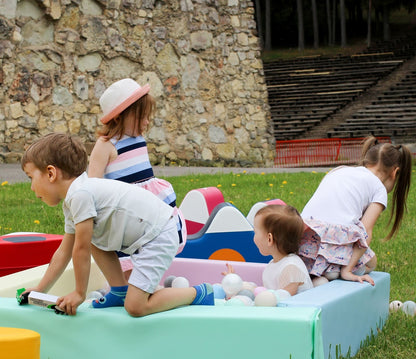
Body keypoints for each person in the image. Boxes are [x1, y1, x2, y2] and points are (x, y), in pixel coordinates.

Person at [20, 133, 213, 317]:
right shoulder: (75, 198)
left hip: (158, 235)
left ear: (51, 173)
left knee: (136, 306)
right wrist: (39, 290)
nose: (31, 187)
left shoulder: (81, 195)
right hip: (150, 234)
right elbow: (64, 252)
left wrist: (79, 293)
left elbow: (81, 250)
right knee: (89, 235)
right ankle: (119, 289)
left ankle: (199, 293)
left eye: (31, 177)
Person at [88, 78, 186, 271]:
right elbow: (93, 183)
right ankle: (126, 288)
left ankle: (146, 283)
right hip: (127, 210)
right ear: (118, 117)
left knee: (152, 245)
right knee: (129, 252)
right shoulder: (106, 145)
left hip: (148, 205)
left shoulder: (137, 138)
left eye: (147, 116)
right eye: (141, 117)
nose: (147, 122)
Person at [299, 136, 412, 285]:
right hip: (332, 239)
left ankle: (321, 270)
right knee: (372, 262)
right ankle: (336, 270)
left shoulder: (339, 170)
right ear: (394, 172)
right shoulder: (378, 188)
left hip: (301, 236)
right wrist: (348, 270)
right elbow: (365, 232)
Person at [225, 204, 313, 296]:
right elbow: (264, 293)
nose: (253, 237)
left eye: (255, 232)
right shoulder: (274, 263)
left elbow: (282, 300)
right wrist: (235, 283)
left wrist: (244, 288)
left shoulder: (291, 267)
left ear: (269, 239)